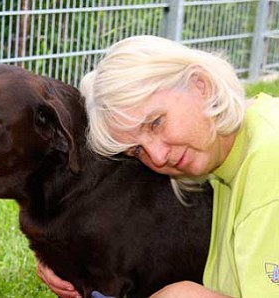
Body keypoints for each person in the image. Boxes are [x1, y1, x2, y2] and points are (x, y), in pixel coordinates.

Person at [35, 35, 279, 298]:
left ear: (201, 85)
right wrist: (62, 257)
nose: (158, 156)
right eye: (137, 150)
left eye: (155, 122)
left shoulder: (269, 162)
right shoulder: (231, 150)